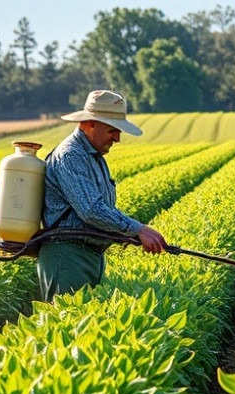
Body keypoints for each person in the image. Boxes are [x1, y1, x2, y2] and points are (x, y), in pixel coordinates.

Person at [37, 89, 168, 301]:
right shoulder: (71, 155)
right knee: (69, 327)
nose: (117, 138)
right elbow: (91, 210)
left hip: (88, 256)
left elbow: (100, 209)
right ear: (89, 124)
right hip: (68, 258)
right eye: (112, 130)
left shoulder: (95, 157)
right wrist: (137, 229)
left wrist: (130, 234)